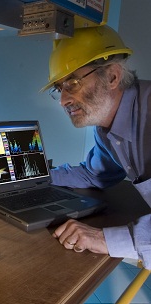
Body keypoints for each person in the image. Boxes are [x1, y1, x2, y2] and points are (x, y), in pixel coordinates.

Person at [41, 25, 151, 269]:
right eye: (60, 89)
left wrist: (103, 238)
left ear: (112, 76)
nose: (63, 101)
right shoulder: (107, 127)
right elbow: (96, 173)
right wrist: (37, 177)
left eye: (73, 83)